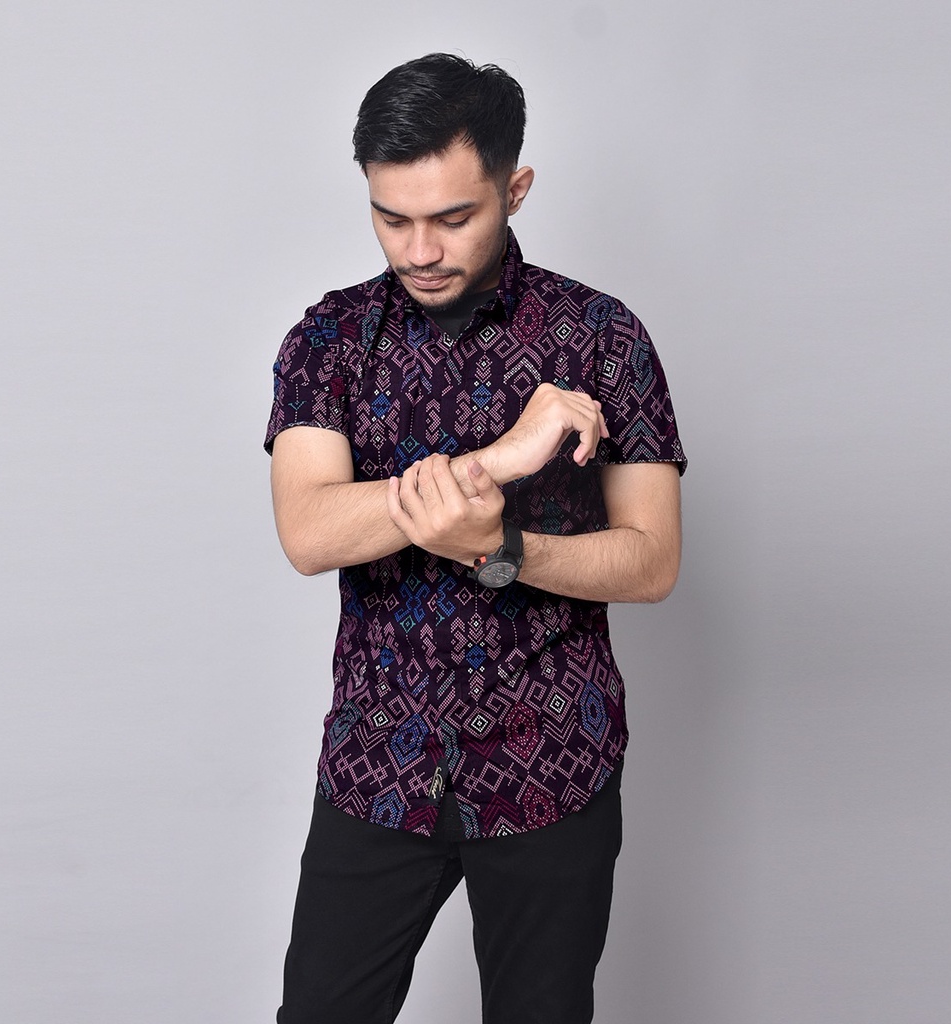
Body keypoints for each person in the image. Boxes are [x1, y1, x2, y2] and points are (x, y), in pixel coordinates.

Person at [264, 52, 686, 1024]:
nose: (419, 249)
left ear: (515, 188)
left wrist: (501, 550)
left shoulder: (602, 337)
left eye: (453, 218)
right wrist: (498, 460)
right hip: (379, 764)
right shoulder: (328, 341)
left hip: (554, 762)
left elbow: (652, 559)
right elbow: (309, 531)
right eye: (391, 217)